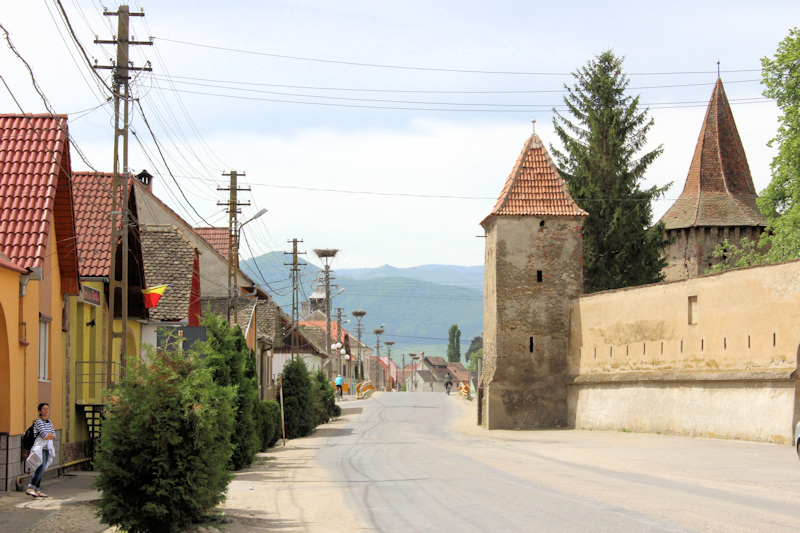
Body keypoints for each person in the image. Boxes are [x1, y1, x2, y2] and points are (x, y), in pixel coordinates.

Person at [26, 402, 55, 498]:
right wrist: (48, 436)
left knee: (43, 468)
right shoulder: (38, 422)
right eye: (44, 409)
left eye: (47, 408)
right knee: (41, 467)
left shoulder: (49, 421)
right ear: (39, 411)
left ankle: (36, 489)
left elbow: (53, 435)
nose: (46, 410)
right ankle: (31, 487)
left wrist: (49, 436)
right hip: (40, 448)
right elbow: (44, 434)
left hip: (47, 448)